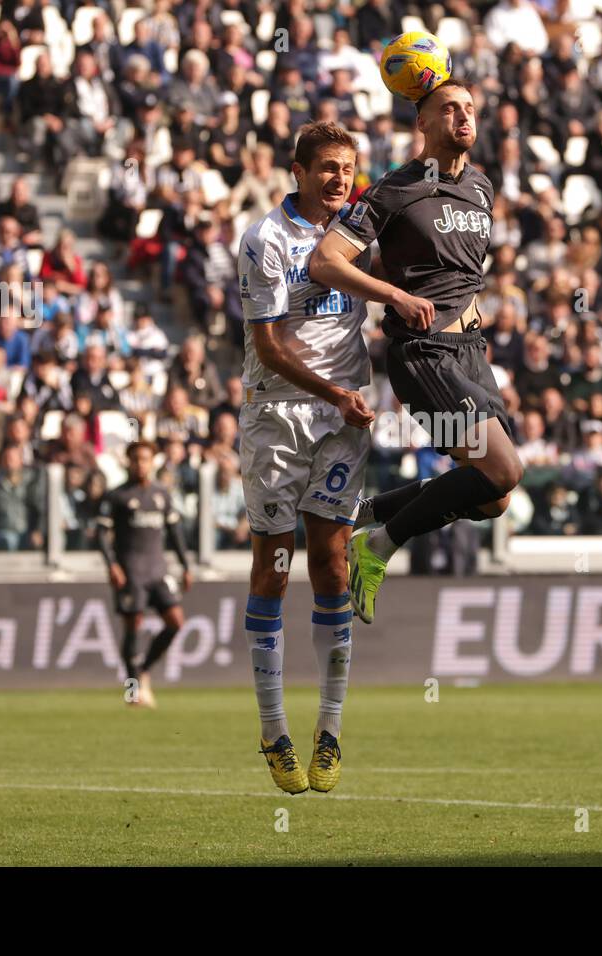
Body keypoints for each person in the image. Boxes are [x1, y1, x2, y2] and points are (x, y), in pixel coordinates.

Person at [310, 80, 524, 626]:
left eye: (470, 108)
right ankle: (379, 544)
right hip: (422, 354)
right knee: (504, 468)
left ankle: (364, 514)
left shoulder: (481, 188)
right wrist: (395, 296)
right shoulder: (394, 188)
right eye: (448, 109)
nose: (463, 117)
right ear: (422, 123)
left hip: (470, 354)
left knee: (493, 498)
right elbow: (326, 262)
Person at [235, 121, 373, 796]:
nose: (337, 178)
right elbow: (268, 348)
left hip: (342, 420)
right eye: (325, 167)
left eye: (346, 167)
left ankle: (330, 730)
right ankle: (273, 730)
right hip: (278, 414)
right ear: (298, 171)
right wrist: (337, 393)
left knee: (332, 561)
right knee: (273, 567)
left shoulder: (360, 234)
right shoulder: (265, 240)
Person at [95, 441, 193, 710]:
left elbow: (175, 533)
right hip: (130, 570)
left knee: (175, 622)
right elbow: (102, 534)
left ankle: (144, 670)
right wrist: (111, 565)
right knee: (133, 624)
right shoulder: (117, 496)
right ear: (128, 462)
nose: (141, 464)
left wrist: (186, 565)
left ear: (153, 462)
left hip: (157, 569)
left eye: (146, 459)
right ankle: (132, 688)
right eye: (136, 459)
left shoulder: (162, 494)